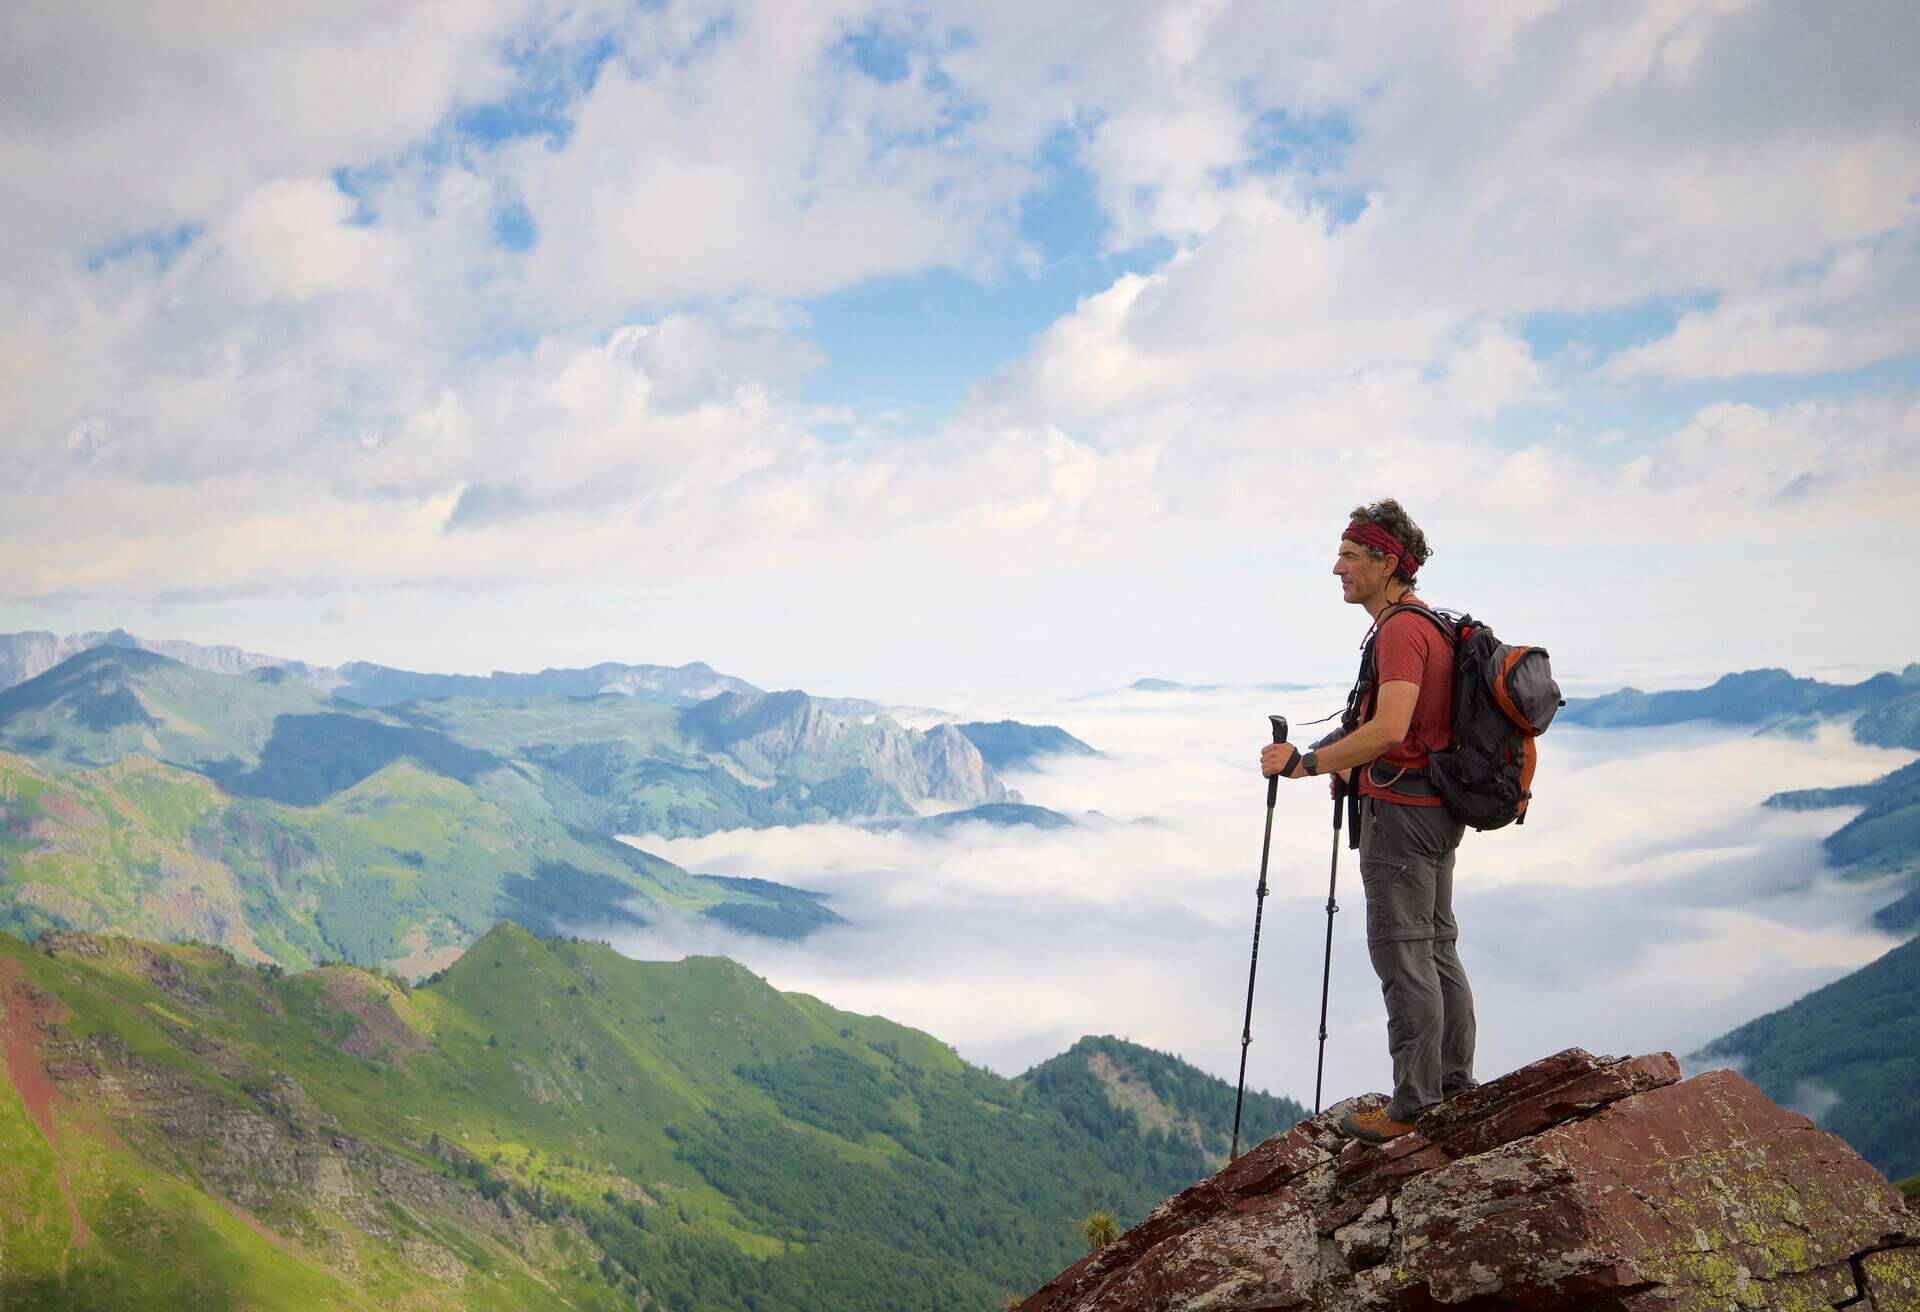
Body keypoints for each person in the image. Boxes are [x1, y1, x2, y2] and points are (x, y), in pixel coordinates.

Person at [1259, 499, 1476, 1144]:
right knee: (1436, 945)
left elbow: (1390, 728)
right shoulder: (1427, 626)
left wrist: (1306, 762)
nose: (1337, 568)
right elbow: (1407, 734)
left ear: (1388, 562)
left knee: (1403, 950)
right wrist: (1348, 769)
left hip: (1404, 819)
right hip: (1432, 808)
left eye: (1351, 556)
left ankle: (1416, 1104)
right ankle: (1453, 1083)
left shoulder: (1402, 632)